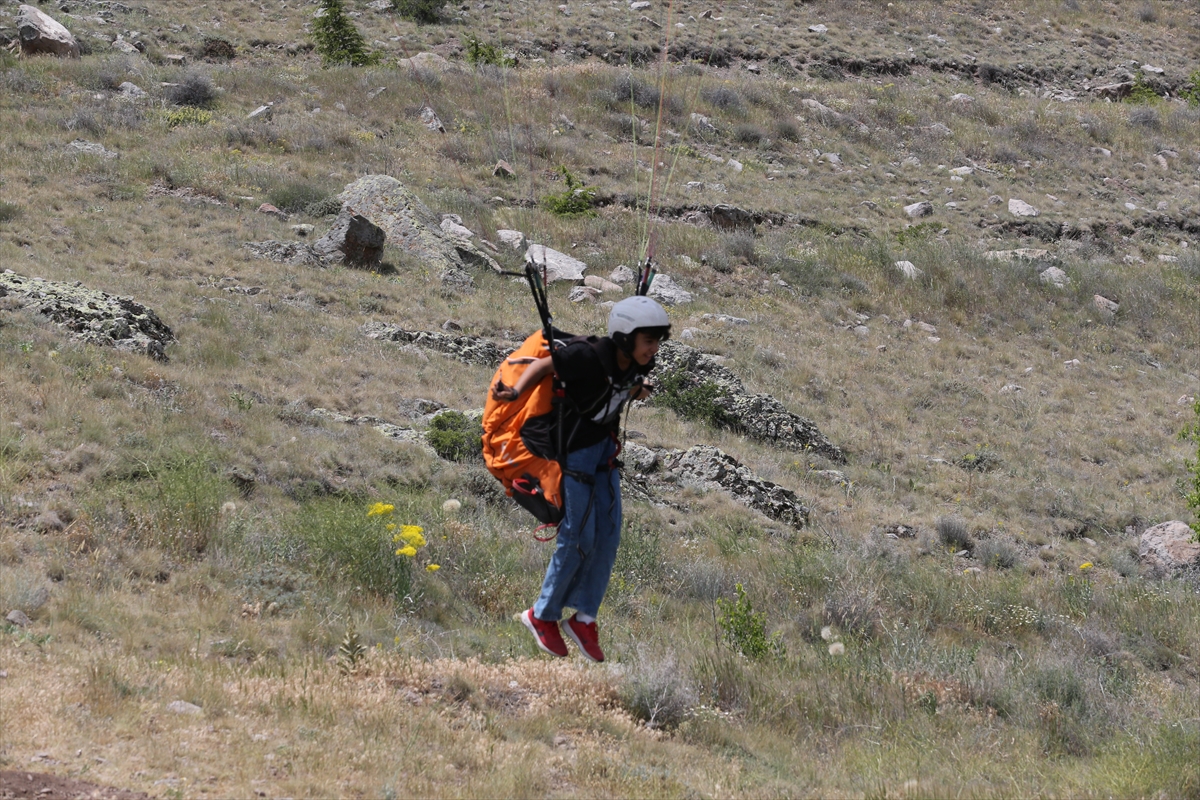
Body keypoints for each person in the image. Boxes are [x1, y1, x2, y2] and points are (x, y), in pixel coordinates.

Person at [490, 295, 671, 662]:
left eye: (657, 341)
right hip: (574, 452)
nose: (654, 349)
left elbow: (618, 389)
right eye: (648, 341)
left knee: (608, 534)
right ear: (625, 337)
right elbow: (545, 366)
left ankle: (584, 618)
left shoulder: (632, 361)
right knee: (577, 535)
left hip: (604, 449)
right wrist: (515, 391)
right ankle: (541, 615)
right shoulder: (586, 356)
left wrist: (639, 389)